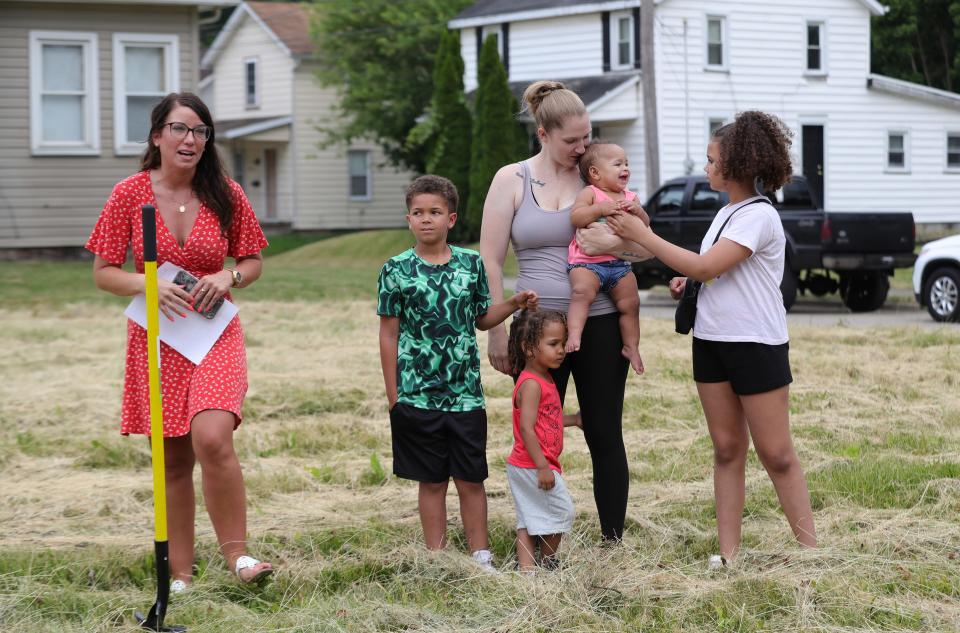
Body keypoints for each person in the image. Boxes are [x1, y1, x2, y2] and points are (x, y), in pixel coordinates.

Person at [606, 110, 817, 566]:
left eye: (710, 160)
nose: (706, 168)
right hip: (712, 341)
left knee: (777, 454)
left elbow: (705, 264)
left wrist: (647, 236)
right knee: (726, 449)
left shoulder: (758, 217)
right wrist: (692, 284)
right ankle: (728, 556)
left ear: (736, 164)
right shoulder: (725, 214)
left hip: (756, 345)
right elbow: (712, 272)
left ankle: (811, 554)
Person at [86, 92, 273, 592]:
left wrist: (230, 276)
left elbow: (253, 260)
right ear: (157, 136)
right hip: (159, 339)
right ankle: (182, 576)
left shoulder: (226, 193)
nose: (190, 139)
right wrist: (147, 285)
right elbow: (104, 273)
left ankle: (239, 558)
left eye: (200, 131)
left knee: (212, 437)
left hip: (215, 333)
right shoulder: (129, 193)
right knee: (172, 461)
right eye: (179, 129)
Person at [479, 80, 647, 542]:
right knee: (533, 432)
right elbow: (491, 258)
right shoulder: (510, 179)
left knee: (603, 431)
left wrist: (618, 243)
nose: (582, 148)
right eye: (572, 140)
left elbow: (643, 246)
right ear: (543, 134)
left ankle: (612, 539)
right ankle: (536, 537)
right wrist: (496, 332)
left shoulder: (596, 179)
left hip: (599, 321)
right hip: (532, 329)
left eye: (587, 137)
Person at [378, 175, 538, 571]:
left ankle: (479, 555)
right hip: (417, 394)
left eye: (434, 212)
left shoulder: (470, 265)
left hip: (465, 394)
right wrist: (393, 394)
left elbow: (483, 319)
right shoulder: (395, 269)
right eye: (418, 213)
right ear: (408, 218)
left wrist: (514, 303)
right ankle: (437, 556)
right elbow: (388, 334)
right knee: (430, 480)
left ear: (451, 218)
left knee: (470, 477)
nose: (426, 219)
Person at [505, 309, 580, 572]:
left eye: (562, 343)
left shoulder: (543, 378)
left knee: (528, 518)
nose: (561, 350)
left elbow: (546, 419)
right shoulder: (532, 384)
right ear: (528, 348)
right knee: (562, 512)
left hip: (524, 464)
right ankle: (547, 561)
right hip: (532, 465)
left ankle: (527, 571)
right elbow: (526, 428)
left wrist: (573, 419)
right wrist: (542, 466)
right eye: (553, 344)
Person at [567, 141, 648, 374]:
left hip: (620, 266)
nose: (625, 168)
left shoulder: (631, 197)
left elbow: (646, 228)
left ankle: (631, 346)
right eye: (618, 164)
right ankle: (574, 333)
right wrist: (600, 210)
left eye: (627, 163)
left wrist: (639, 212)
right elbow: (577, 217)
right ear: (595, 173)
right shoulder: (591, 193)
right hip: (587, 263)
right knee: (581, 293)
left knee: (631, 304)